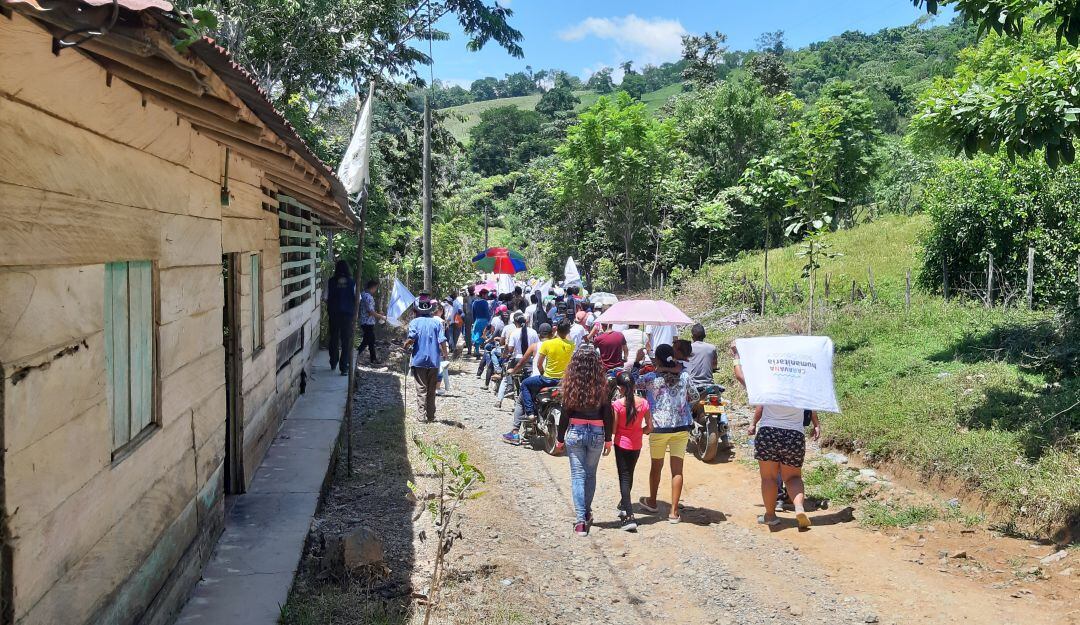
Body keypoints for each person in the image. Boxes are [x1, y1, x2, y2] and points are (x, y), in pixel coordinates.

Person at [731, 343, 820, 529]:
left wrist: (737, 355)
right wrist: (816, 424)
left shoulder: (768, 383)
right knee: (793, 477)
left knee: (769, 478)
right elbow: (811, 405)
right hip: (794, 435)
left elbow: (740, 376)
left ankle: (770, 516)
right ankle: (798, 507)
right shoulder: (802, 383)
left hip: (769, 433)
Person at [553, 347, 613, 536]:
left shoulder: (571, 383)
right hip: (597, 432)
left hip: (576, 432)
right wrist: (608, 439)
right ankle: (586, 512)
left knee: (578, 476)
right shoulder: (603, 384)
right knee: (590, 474)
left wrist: (560, 439)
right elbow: (607, 413)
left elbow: (565, 413)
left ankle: (580, 522)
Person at [634, 344, 694, 523]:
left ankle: (652, 502)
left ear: (657, 360)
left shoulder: (651, 378)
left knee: (656, 466)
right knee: (677, 470)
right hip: (681, 427)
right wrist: (684, 404)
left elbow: (631, 381)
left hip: (659, 427)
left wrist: (637, 361)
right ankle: (674, 512)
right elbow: (695, 396)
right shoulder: (684, 376)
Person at [611, 371, 651, 531]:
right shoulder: (644, 403)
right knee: (630, 474)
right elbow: (649, 427)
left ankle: (629, 516)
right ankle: (624, 505)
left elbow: (614, 429)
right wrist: (639, 432)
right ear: (634, 386)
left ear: (620, 388)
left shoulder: (617, 405)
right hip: (636, 444)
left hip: (621, 443)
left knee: (624, 477)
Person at [501, 323, 552, 444]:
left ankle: (515, 432)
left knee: (521, 401)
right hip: (555, 380)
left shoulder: (535, 346)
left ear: (539, 335)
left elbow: (522, 363)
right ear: (551, 334)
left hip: (538, 380)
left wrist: (513, 371)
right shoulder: (556, 345)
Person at [403, 295, 448, 423]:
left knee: (421, 388)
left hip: (419, 359)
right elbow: (442, 340)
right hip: (434, 360)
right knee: (431, 389)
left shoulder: (414, 322)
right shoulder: (436, 323)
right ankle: (431, 415)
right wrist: (445, 354)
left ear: (417, 310)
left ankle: (421, 416)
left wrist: (405, 345)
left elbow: (412, 338)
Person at [519, 318, 575, 420]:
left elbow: (539, 364)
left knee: (525, 384)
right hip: (563, 380)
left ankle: (530, 413)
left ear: (556, 329)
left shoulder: (547, 344)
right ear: (568, 331)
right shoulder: (571, 345)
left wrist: (542, 374)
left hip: (547, 379)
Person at [495, 313, 540, 408]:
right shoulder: (533, 332)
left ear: (515, 322)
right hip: (530, 360)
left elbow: (510, 350)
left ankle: (502, 397)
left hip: (517, 359)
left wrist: (505, 353)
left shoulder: (514, 333)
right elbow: (537, 347)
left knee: (506, 375)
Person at [326, 260, 357, 375]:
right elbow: (358, 299)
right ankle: (344, 367)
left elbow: (325, 297)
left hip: (334, 314)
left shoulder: (331, 282)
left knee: (334, 337)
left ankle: (333, 362)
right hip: (347, 315)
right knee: (346, 340)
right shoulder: (352, 282)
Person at [357, 279, 386, 365]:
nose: (376, 290)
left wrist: (378, 313)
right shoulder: (368, 296)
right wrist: (381, 316)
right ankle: (354, 355)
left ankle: (373, 359)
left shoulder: (363, 294)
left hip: (366, 321)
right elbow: (370, 311)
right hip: (367, 322)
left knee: (371, 341)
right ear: (373, 287)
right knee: (366, 341)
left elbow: (370, 310)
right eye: (376, 288)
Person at [470, 288, 492, 358]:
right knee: (484, 335)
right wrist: (489, 321)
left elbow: (473, 313)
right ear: (483, 295)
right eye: (486, 295)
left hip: (477, 321)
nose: (487, 296)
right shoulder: (485, 302)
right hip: (484, 321)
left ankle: (477, 351)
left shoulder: (474, 302)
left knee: (477, 335)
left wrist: (474, 321)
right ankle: (486, 352)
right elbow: (487, 313)